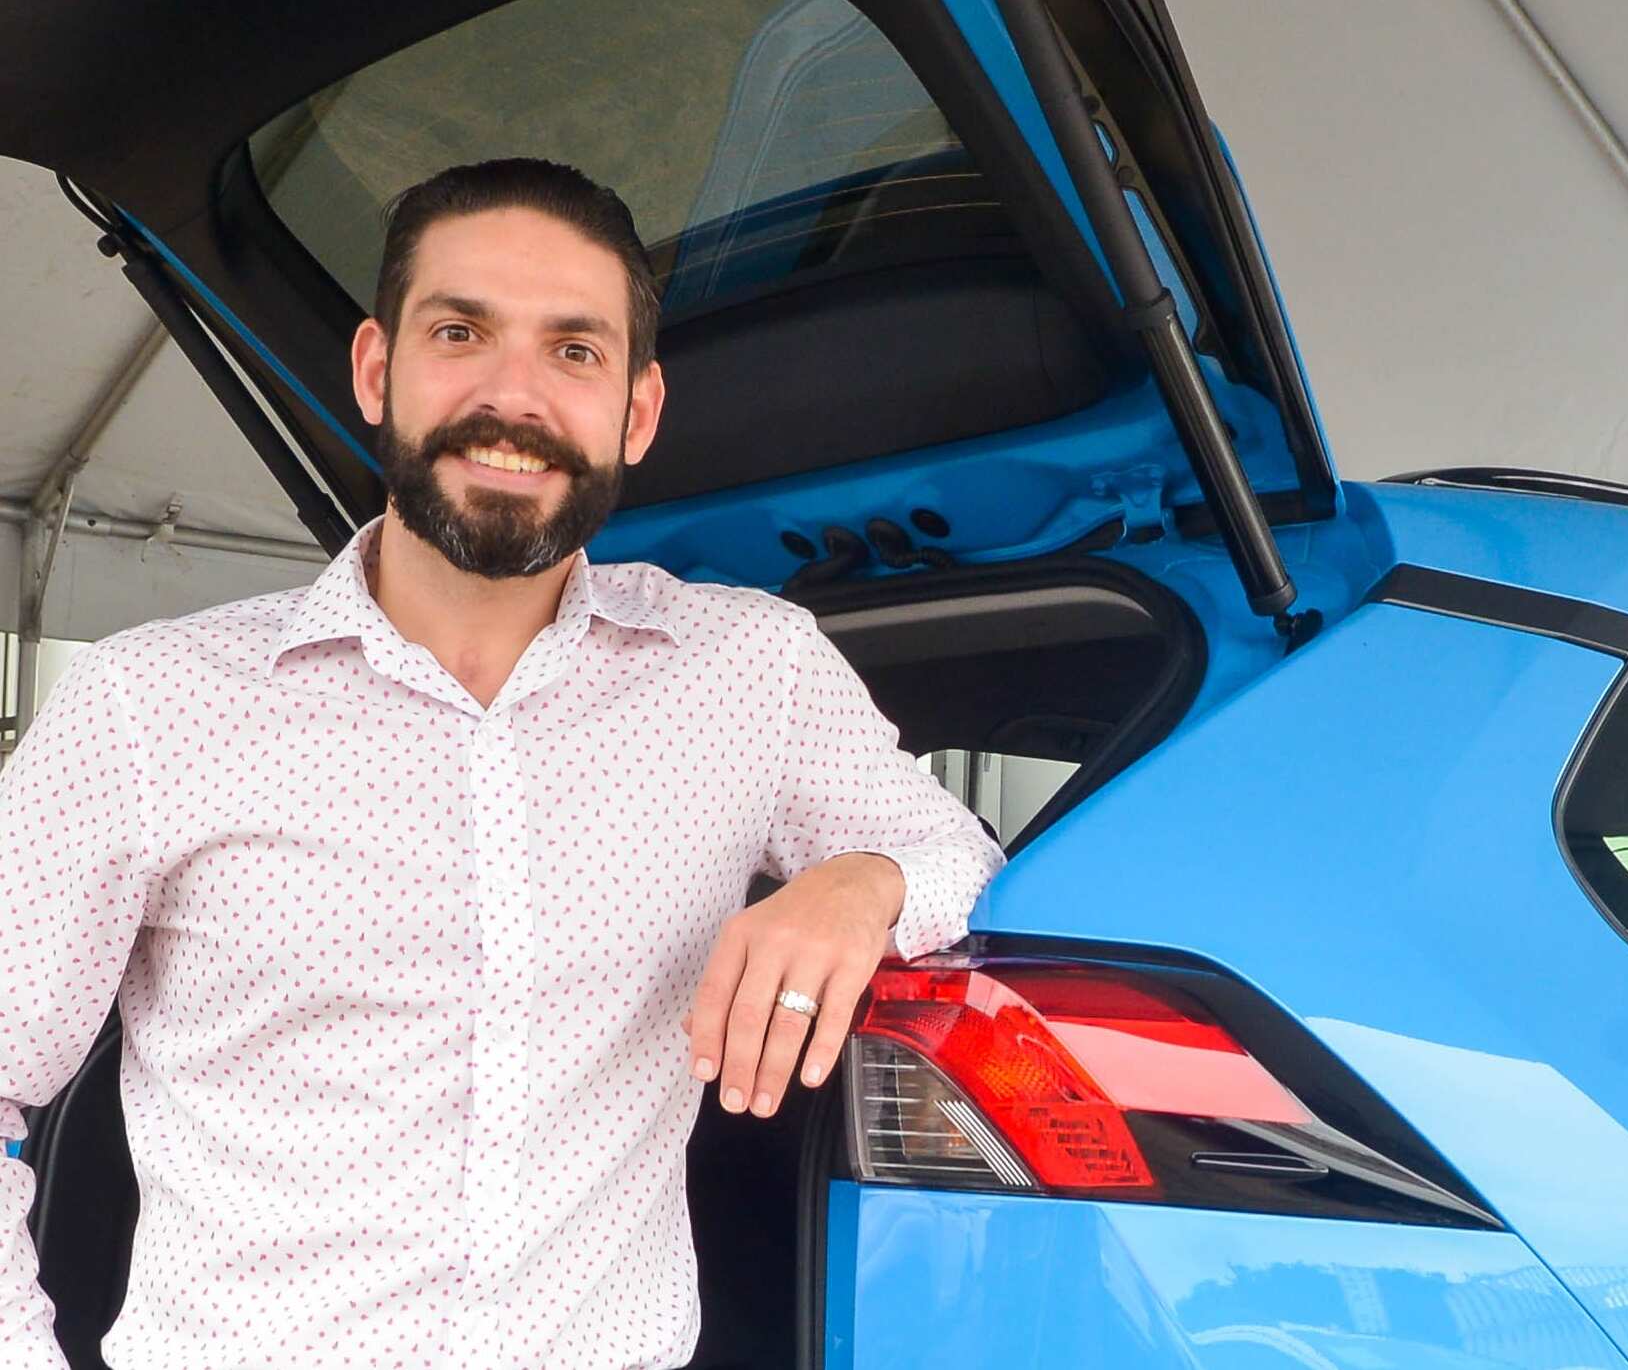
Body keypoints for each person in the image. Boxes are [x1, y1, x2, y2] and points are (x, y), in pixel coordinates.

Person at [0, 158, 1005, 1369]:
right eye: (460, 332)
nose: (512, 396)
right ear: (376, 369)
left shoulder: (752, 671)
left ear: (636, 411)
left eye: (574, 350)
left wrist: (859, 882)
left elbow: (956, 853)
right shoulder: (149, 706)